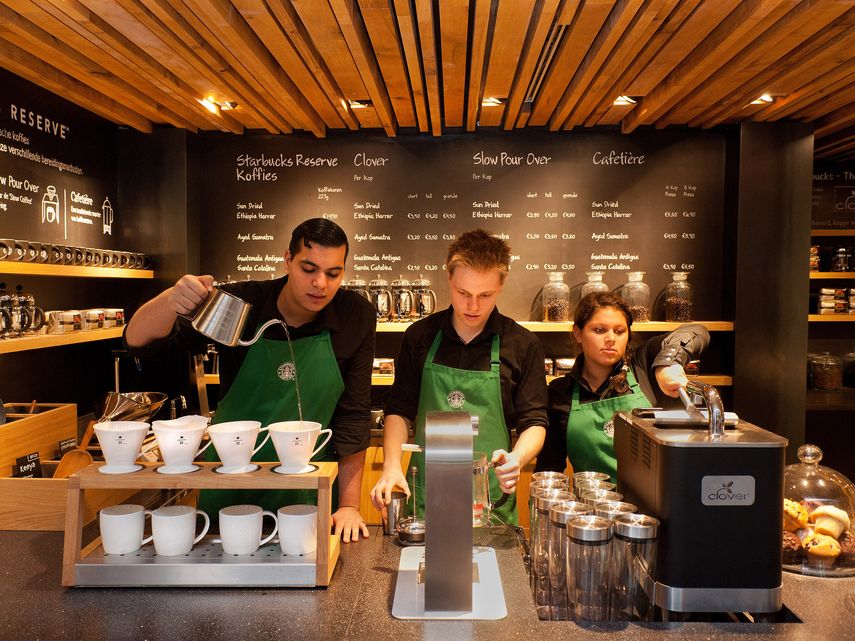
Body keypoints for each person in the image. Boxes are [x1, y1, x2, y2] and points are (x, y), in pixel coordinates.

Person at [125, 218, 375, 543]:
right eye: (308, 269)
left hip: (308, 487)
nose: (320, 284)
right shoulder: (241, 304)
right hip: (231, 481)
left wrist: (350, 506)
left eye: (333, 273)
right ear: (288, 260)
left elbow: (353, 415)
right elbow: (137, 342)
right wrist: (172, 298)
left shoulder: (356, 315)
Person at [370, 230, 547, 525]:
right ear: (449, 278)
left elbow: (535, 422)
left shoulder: (523, 344)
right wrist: (391, 465)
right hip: (426, 497)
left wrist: (517, 458)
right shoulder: (420, 336)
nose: (473, 306)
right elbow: (399, 410)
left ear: (501, 284)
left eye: (485, 295)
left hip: (490, 498)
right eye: (463, 293)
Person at [535, 291, 710, 481]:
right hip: (591, 498)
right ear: (578, 333)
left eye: (619, 331)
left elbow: (697, 331)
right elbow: (549, 468)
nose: (611, 338)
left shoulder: (642, 365)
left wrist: (669, 363)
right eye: (599, 330)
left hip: (650, 497)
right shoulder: (560, 392)